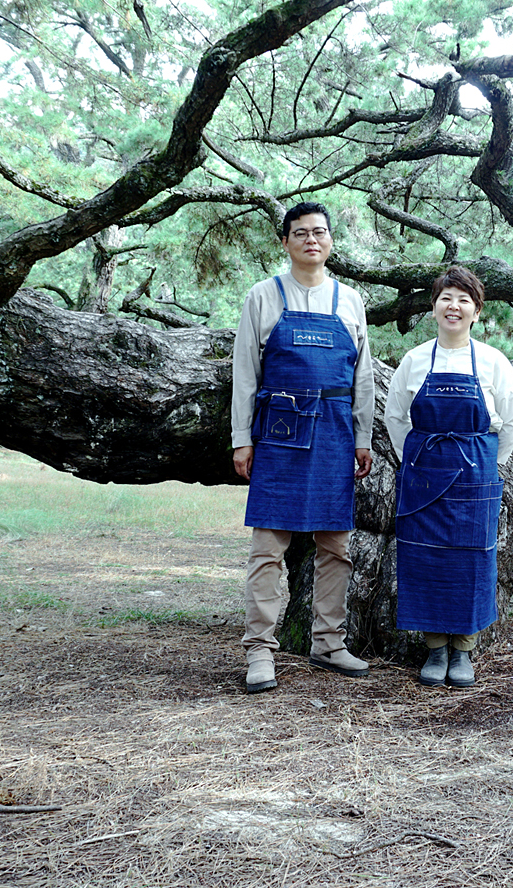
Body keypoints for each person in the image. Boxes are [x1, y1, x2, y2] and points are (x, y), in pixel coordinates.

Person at [231, 202, 375, 695]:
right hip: (279, 433)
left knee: (335, 547)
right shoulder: (262, 296)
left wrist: (362, 437)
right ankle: (259, 652)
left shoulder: (351, 300)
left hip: (336, 433)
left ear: (331, 240)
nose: (311, 239)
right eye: (300, 233)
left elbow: (364, 378)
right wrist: (241, 439)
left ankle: (328, 643)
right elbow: (245, 374)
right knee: (268, 548)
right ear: (286, 242)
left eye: (319, 232)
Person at [384, 266, 513, 687]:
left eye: (464, 299)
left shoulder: (493, 361)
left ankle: (463, 651)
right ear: (434, 307)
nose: (454, 306)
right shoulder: (414, 360)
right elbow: (395, 418)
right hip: (424, 473)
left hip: (474, 477)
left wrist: (486, 463)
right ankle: (434, 649)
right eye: (447, 297)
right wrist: (417, 460)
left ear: (476, 312)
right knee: (426, 557)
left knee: (472, 559)